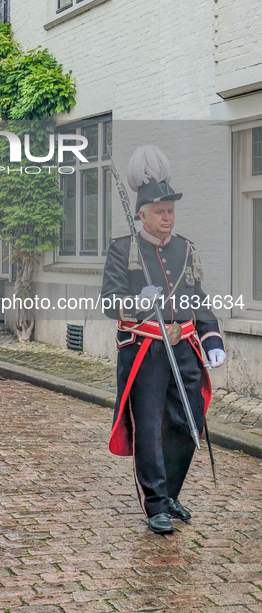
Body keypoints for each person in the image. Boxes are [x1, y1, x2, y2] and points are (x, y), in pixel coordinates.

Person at [101, 144, 226, 535]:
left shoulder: (186, 249)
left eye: (170, 211)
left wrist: (211, 337)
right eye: (159, 211)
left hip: (185, 349)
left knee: (188, 424)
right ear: (142, 214)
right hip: (145, 352)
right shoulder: (124, 249)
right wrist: (137, 303)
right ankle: (154, 501)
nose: (167, 218)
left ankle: (170, 491)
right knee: (150, 428)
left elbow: (198, 299)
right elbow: (109, 302)